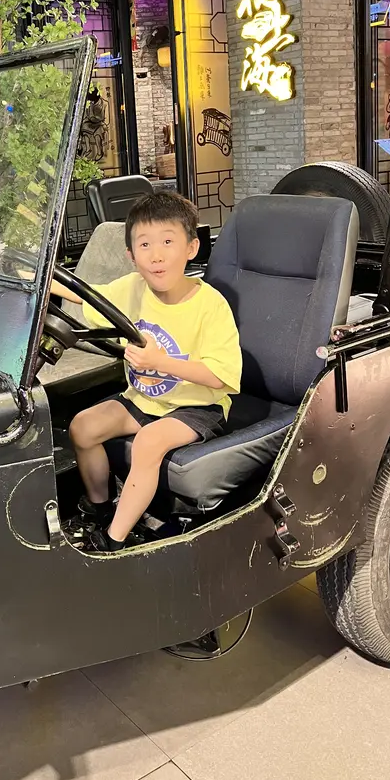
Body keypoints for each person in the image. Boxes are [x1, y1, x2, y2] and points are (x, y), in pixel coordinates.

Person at [52, 192, 241, 553]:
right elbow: (90, 297)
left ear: (191, 247)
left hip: (196, 407)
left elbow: (220, 377)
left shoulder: (210, 305)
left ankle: (114, 540)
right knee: (82, 427)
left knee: (149, 442)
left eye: (168, 242)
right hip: (143, 399)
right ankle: (100, 508)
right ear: (131, 256)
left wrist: (160, 362)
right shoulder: (132, 288)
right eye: (145, 245)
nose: (156, 255)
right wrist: (40, 282)